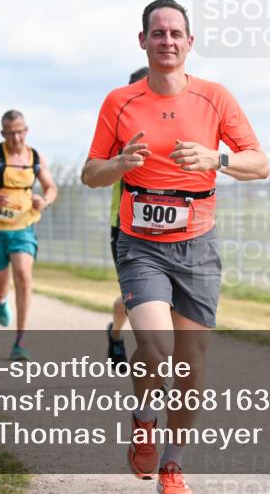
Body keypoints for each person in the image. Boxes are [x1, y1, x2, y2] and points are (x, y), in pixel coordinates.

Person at [82, 0, 269, 494]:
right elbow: (90, 174)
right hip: (140, 244)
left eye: (176, 33)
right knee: (157, 346)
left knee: (191, 361)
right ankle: (145, 417)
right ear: (142, 41)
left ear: (190, 42)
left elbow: (260, 163)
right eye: (157, 33)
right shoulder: (119, 102)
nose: (167, 41)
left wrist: (216, 157)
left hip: (198, 244)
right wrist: (120, 164)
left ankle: (173, 463)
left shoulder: (215, 98)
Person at [0, 110, 58, 361]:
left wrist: (44, 201)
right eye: (10, 132)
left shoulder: (35, 157)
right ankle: (0, 299)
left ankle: (21, 340)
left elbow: (51, 187)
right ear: (3, 133)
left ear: (26, 130)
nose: (16, 137)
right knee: (0, 285)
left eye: (20, 131)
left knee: (24, 276)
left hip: (23, 227)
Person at [106, 65, 151, 371]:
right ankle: (118, 334)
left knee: (165, 302)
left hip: (170, 230)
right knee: (135, 300)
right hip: (125, 227)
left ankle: (153, 360)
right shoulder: (117, 130)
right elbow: (96, 171)